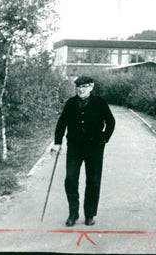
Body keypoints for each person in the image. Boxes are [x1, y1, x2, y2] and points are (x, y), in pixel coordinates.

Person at [51, 76, 115, 227]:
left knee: (93, 181)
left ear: (91, 87)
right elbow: (61, 123)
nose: (81, 89)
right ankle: (73, 214)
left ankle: (89, 214)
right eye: (79, 87)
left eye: (85, 87)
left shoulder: (100, 102)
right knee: (70, 180)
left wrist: (104, 139)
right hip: (75, 148)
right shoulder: (70, 103)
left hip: (94, 148)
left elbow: (111, 122)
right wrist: (57, 143)